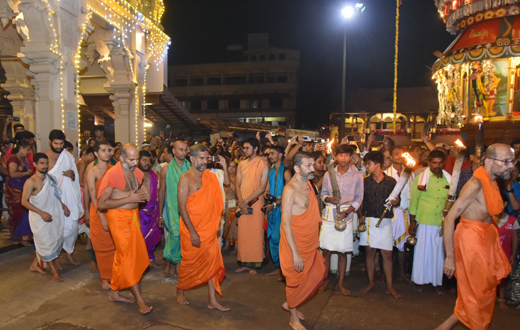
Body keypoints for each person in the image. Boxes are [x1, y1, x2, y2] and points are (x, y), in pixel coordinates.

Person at [435, 144, 515, 330]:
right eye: (505, 161)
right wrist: (449, 257)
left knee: (478, 293)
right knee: (477, 294)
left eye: (512, 161)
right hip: (471, 240)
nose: (510, 166)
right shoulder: (475, 184)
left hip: (484, 238)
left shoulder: (492, 181)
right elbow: (449, 219)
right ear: (488, 161)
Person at [97, 143, 152, 315]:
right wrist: (129, 197)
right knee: (128, 258)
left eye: (137, 158)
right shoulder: (112, 174)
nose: (136, 162)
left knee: (125, 256)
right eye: (132, 159)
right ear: (121, 158)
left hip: (133, 217)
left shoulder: (136, 172)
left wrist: (142, 195)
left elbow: (142, 194)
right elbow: (101, 203)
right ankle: (140, 300)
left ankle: (114, 293)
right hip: (118, 219)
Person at [175, 144, 229, 311]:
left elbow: (227, 183)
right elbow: (181, 208)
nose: (205, 161)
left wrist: (225, 166)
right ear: (192, 159)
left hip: (209, 229)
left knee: (212, 263)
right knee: (189, 263)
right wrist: (192, 232)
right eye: (201, 158)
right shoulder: (185, 179)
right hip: (193, 230)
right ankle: (180, 291)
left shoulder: (210, 176)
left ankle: (212, 300)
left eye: (206, 158)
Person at [280, 151, 326, 330]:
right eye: (308, 165)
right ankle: (293, 318)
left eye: (312, 164)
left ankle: (292, 303)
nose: (312, 168)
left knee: (316, 273)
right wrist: (295, 253)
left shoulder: (308, 185)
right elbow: (285, 224)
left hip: (309, 242)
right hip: (294, 244)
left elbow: (312, 215)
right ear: (297, 168)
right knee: (295, 280)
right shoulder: (289, 190)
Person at [319, 144, 363, 295]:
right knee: (326, 251)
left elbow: (359, 198)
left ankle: (341, 283)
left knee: (343, 251)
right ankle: (324, 281)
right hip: (330, 214)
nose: (343, 159)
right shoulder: (328, 174)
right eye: (340, 155)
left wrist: (348, 212)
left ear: (351, 158)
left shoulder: (357, 175)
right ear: (335, 157)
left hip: (346, 215)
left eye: (346, 155)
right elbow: (323, 193)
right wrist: (329, 199)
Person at [359, 151, 401, 299]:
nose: (366, 167)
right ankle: (371, 282)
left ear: (377, 165)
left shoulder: (391, 182)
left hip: (386, 221)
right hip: (369, 220)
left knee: (387, 254)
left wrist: (396, 202)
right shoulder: (365, 182)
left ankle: (390, 286)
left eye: (368, 164)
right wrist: (361, 217)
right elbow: (360, 202)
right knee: (370, 253)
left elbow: (398, 200)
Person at [409, 149, 451, 294]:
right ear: (429, 163)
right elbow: (414, 200)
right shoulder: (421, 178)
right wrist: (412, 221)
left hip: (441, 221)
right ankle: (420, 280)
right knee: (423, 252)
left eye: (440, 163)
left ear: (444, 163)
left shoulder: (449, 179)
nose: (437, 165)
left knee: (439, 254)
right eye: (434, 163)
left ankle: (437, 282)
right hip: (424, 220)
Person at [22, 153, 69, 281]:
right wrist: (41, 213)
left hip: (53, 214)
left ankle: (34, 264)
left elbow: (55, 196)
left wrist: (63, 206)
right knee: (45, 243)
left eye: (46, 163)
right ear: (35, 164)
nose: (45, 166)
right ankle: (53, 272)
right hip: (39, 217)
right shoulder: (30, 182)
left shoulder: (50, 178)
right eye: (42, 163)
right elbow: (24, 201)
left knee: (50, 241)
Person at [45, 130, 84, 266]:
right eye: (56, 143)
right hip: (53, 198)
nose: (59, 146)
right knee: (56, 229)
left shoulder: (67, 156)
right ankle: (55, 258)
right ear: (50, 142)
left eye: (61, 143)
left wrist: (71, 174)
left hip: (69, 197)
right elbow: (44, 181)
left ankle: (69, 252)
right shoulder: (45, 158)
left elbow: (75, 178)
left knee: (72, 227)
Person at [84, 141, 116, 290]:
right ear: (96, 153)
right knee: (102, 247)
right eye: (103, 150)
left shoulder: (114, 169)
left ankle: (114, 275)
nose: (107, 153)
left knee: (115, 246)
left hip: (113, 210)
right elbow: (93, 196)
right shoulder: (92, 172)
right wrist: (102, 217)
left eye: (109, 150)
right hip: (98, 212)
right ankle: (104, 278)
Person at [235, 137, 269, 275]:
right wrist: (241, 201)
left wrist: (246, 202)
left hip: (255, 203)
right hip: (242, 203)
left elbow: (262, 187)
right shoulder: (241, 164)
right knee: (243, 234)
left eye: (247, 147)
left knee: (256, 233)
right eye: (244, 148)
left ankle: (255, 264)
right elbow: (237, 184)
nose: (245, 150)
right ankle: (244, 262)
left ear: (255, 149)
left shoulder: (263, 163)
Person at [384, 146, 414, 283]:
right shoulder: (386, 173)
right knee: (387, 244)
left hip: (404, 213)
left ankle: (401, 272)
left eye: (402, 153)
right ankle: (384, 274)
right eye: (396, 154)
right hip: (390, 213)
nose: (400, 156)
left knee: (402, 245)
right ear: (390, 156)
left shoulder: (410, 173)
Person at [161, 141, 190, 277]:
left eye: (185, 150)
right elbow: (162, 191)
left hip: (187, 208)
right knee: (174, 235)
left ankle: (177, 264)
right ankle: (170, 262)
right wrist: (160, 215)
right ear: (173, 151)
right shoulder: (166, 169)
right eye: (180, 150)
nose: (183, 153)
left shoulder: (190, 167)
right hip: (172, 208)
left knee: (184, 237)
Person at [265, 146, 292, 280]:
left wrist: (275, 204)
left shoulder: (286, 172)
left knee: (279, 239)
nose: (270, 156)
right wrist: (267, 194)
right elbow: (269, 187)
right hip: (272, 209)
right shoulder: (270, 171)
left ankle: (283, 270)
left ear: (280, 155)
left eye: (272, 153)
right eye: (269, 154)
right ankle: (279, 269)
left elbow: (290, 195)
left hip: (283, 210)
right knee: (273, 239)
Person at [6, 140, 33, 245]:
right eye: (27, 150)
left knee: (26, 212)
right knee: (20, 212)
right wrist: (26, 173)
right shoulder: (13, 159)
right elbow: (12, 174)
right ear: (21, 148)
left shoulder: (21, 159)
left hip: (23, 187)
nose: (28, 152)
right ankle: (20, 236)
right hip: (15, 190)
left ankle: (25, 235)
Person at [138, 150, 161, 268]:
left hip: (155, 211)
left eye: (149, 160)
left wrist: (160, 214)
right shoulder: (134, 175)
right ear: (138, 160)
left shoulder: (155, 174)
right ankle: (140, 261)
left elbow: (161, 193)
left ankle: (150, 259)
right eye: (144, 160)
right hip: (140, 212)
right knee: (139, 238)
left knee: (153, 237)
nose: (147, 163)